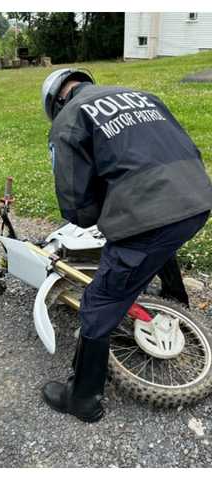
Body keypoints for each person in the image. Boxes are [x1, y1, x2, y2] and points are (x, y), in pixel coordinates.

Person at [40, 68, 212, 422]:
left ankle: (83, 399)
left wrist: (103, 214)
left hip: (150, 217)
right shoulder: (144, 96)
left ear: (57, 102)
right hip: (196, 199)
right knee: (161, 239)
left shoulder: (69, 118)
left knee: (100, 301)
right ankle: (175, 301)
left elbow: (76, 206)